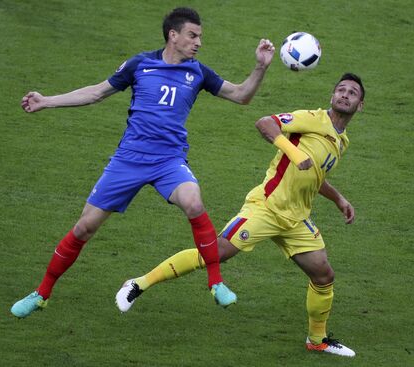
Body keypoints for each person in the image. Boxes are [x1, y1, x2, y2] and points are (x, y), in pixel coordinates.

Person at [11, 7, 275, 318]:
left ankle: (216, 283)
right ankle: (41, 293)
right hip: (129, 160)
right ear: (172, 35)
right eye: (193, 35)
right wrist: (46, 101)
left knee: (193, 201)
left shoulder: (198, 72)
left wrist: (260, 66)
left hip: (169, 160)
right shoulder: (140, 64)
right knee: (84, 227)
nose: (198, 42)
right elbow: (96, 92)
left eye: (200, 36)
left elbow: (242, 95)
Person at [116, 73, 365, 357]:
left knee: (323, 275)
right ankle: (138, 283)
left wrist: (338, 199)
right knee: (216, 252)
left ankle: (317, 340)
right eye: (340, 89)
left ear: (360, 105)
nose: (345, 94)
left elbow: (314, 175)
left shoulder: (341, 141)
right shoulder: (312, 119)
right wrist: (293, 153)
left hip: (296, 218)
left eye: (352, 93)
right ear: (332, 96)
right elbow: (265, 123)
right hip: (267, 207)